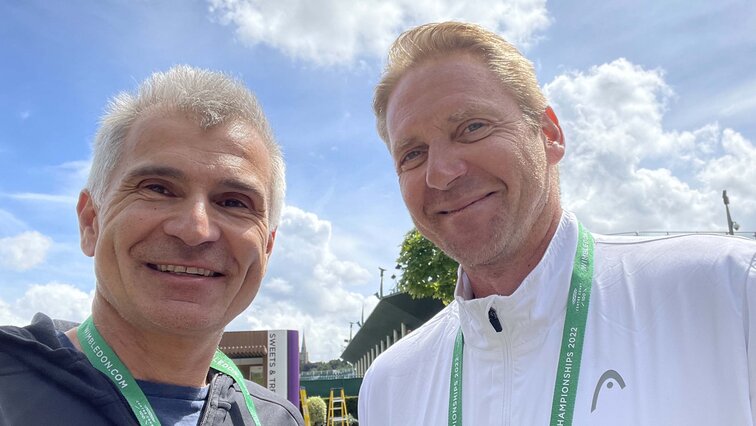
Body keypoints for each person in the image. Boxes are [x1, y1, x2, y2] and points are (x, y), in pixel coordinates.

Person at [358, 21, 756, 425]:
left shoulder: (731, 294)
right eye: (412, 154)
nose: (440, 172)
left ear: (549, 133)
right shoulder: (390, 387)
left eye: (472, 127)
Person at [0, 66, 304, 426]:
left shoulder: (276, 418)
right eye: (157, 188)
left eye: (234, 202)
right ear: (90, 222)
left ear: (267, 248)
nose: (195, 230)